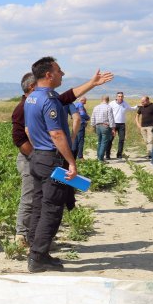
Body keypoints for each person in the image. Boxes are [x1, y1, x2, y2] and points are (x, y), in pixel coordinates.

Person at [11, 70, 112, 248]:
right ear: (33, 87)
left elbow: (67, 97)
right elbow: (19, 139)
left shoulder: (41, 100)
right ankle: (22, 235)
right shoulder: (23, 107)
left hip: (42, 158)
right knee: (32, 198)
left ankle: (36, 240)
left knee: (42, 199)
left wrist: (91, 83)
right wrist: (37, 156)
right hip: (31, 158)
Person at [23, 56, 78, 273]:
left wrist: (92, 83)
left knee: (39, 205)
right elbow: (56, 133)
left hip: (37, 157)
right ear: (49, 74)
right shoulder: (49, 99)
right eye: (59, 70)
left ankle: (36, 250)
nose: (62, 74)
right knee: (52, 208)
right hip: (51, 159)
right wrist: (71, 162)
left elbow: (29, 130)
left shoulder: (31, 97)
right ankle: (38, 257)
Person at [105, 92, 137, 160]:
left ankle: (119, 155)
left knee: (121, 140)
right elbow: (107, 112)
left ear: (123, 97)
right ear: (116, 97)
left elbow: (131, 109)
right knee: (110, 139)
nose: (120, 97)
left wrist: (138, 106)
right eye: (119, 96)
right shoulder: (112, 103)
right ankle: (107, 155)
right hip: (113, 124)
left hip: (122, 124)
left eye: (121, 96)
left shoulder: (125, 103)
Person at [91, 95, 116, 162]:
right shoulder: (108, 107)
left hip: (97, 126)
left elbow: (93, 117)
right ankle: (101, 159)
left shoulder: (96, 107)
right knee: (104, 143)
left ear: (101, 99)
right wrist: (113, 128)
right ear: (108, 100)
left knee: (99, 142)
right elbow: (111, 118)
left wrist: (93, 126)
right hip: (105, 126)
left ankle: (98, 157)